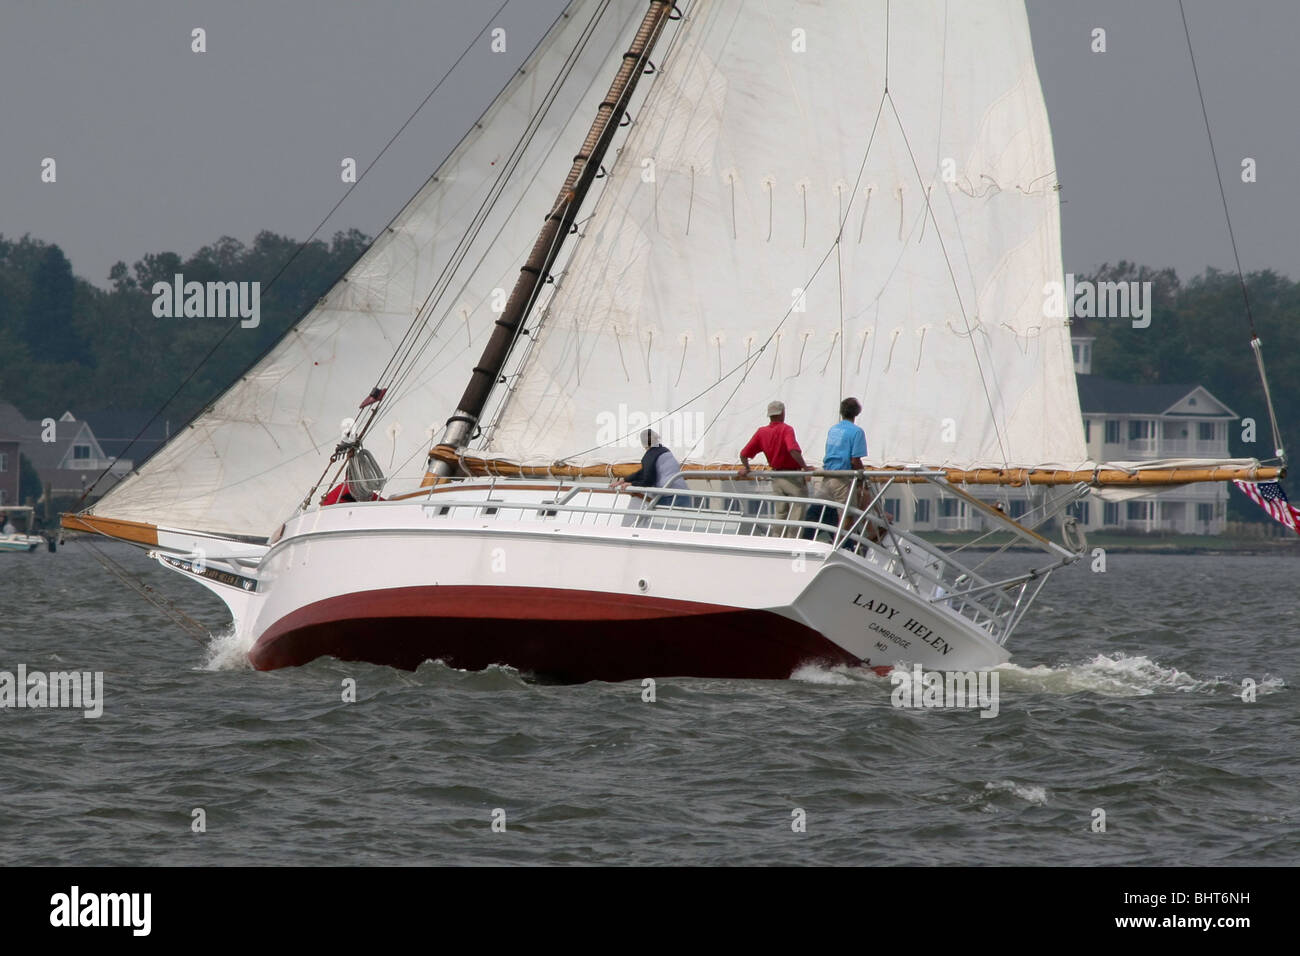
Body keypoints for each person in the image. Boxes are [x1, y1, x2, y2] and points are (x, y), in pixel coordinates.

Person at [738, 400, 810, 536]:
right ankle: (792, 542)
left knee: (780, 512)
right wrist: (805, 468)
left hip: (776, 477)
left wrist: (747, 468)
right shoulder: (786, 429)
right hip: (792, 477)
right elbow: (793, 450)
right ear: (782, 413)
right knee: (797, 512)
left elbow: (743, 454)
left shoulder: (762, 432)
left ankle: (778, 540)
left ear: (769, 415)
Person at [811, 397, 872, 543]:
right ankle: (840, 544)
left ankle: (812, 538)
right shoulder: (856, 432)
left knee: (823, 511)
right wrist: (863, 477)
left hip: (827, 475)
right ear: (856, 413)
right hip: (842, 476)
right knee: (848, 514)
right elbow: (854, 460)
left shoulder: (833, 430)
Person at [613, 429, 690, 506]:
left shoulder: (649, 456)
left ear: (643, 443)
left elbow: (647, 481)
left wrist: (631, 484)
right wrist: (625, 480)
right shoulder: (665, 450)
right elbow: (643, 472)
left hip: (668, 496)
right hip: (683, 493)